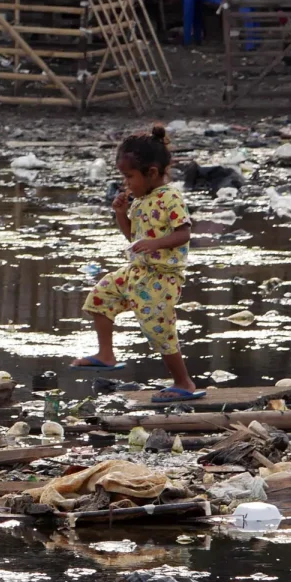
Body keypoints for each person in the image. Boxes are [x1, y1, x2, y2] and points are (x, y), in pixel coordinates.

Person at [71, 125, 204, 402]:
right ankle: (105, 355)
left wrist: (154, 244)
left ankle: (184, 382)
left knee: (158, 328)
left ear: (152, 172)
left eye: (129, 176)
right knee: (100, 296)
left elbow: (184, 233)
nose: (126, 183)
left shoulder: (171, 197)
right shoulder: (140, 200)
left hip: (162, 277)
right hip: (137, 271)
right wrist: (120, 213)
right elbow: (133, 234)